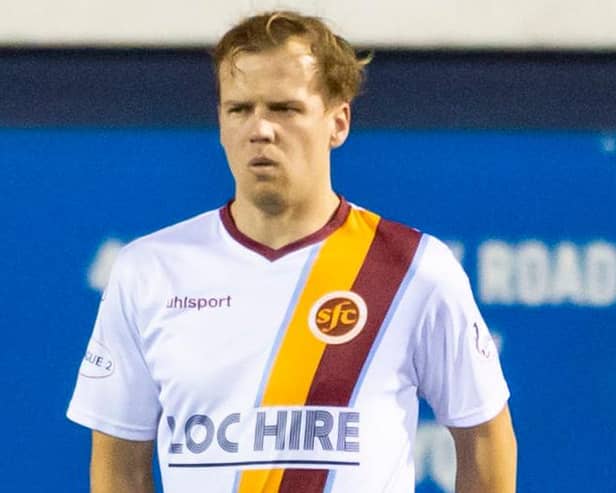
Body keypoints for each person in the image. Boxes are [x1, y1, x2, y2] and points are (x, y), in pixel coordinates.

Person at [67, 10, 517, 493]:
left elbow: (485, 439)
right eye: (239, 109)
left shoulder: (413, 267)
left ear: (338, 122)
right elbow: (119, 464)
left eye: (284, 108)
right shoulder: (148, 270)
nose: (259, 130)